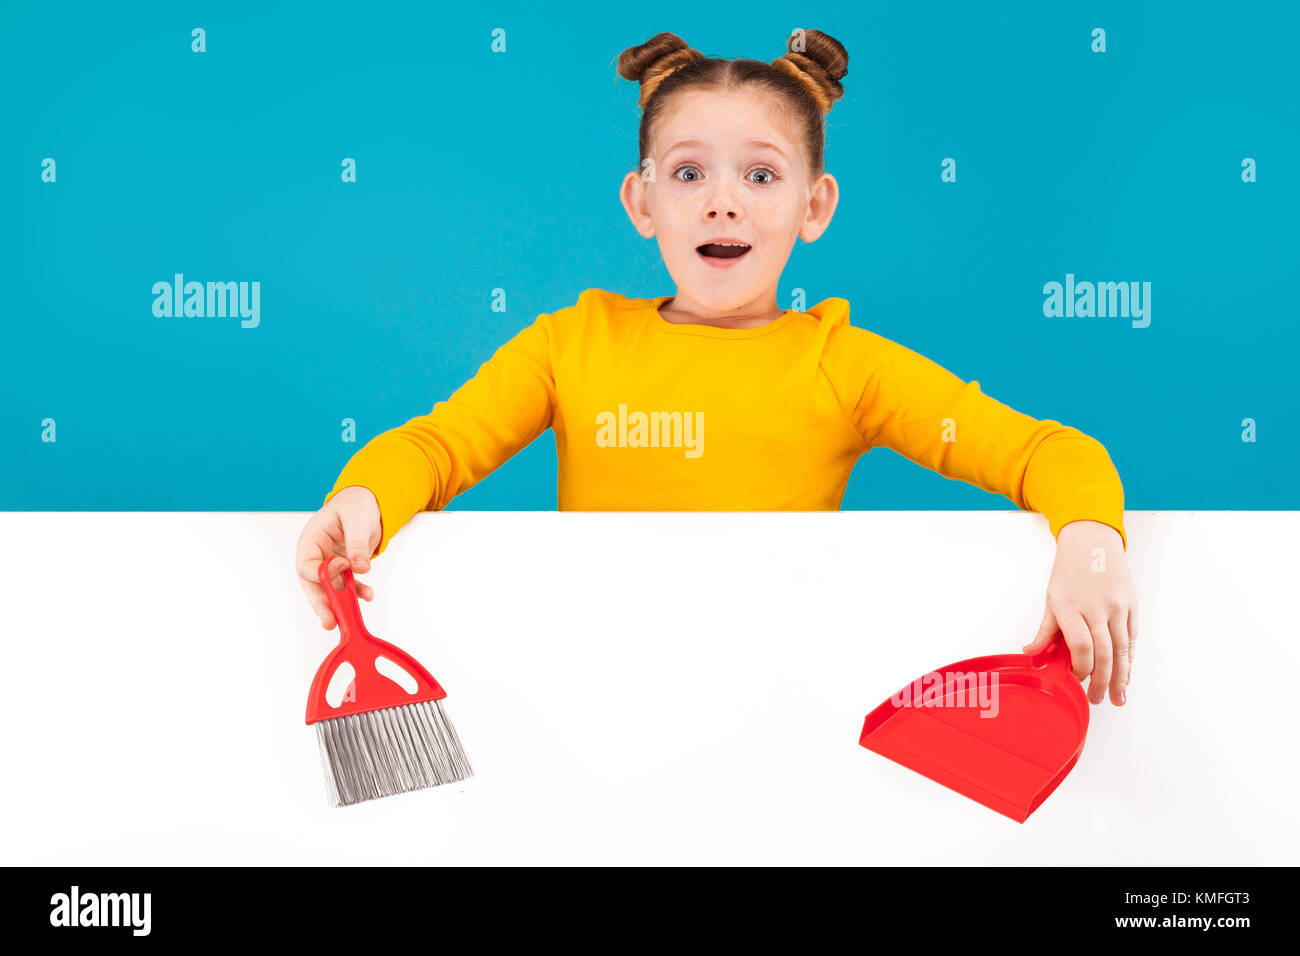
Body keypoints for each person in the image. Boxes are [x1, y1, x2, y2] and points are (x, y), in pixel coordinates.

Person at [296, 30, 1137, 707]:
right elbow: (439, 448)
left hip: (773, 702)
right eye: (689, 172)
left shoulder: (843, 365)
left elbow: (1051, 454)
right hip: (593, 700)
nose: (721, 201)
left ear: (814, 207)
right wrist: (361, 498)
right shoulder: (570, 346)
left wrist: (1091, 545)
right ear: (642, 203)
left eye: (761, 174)